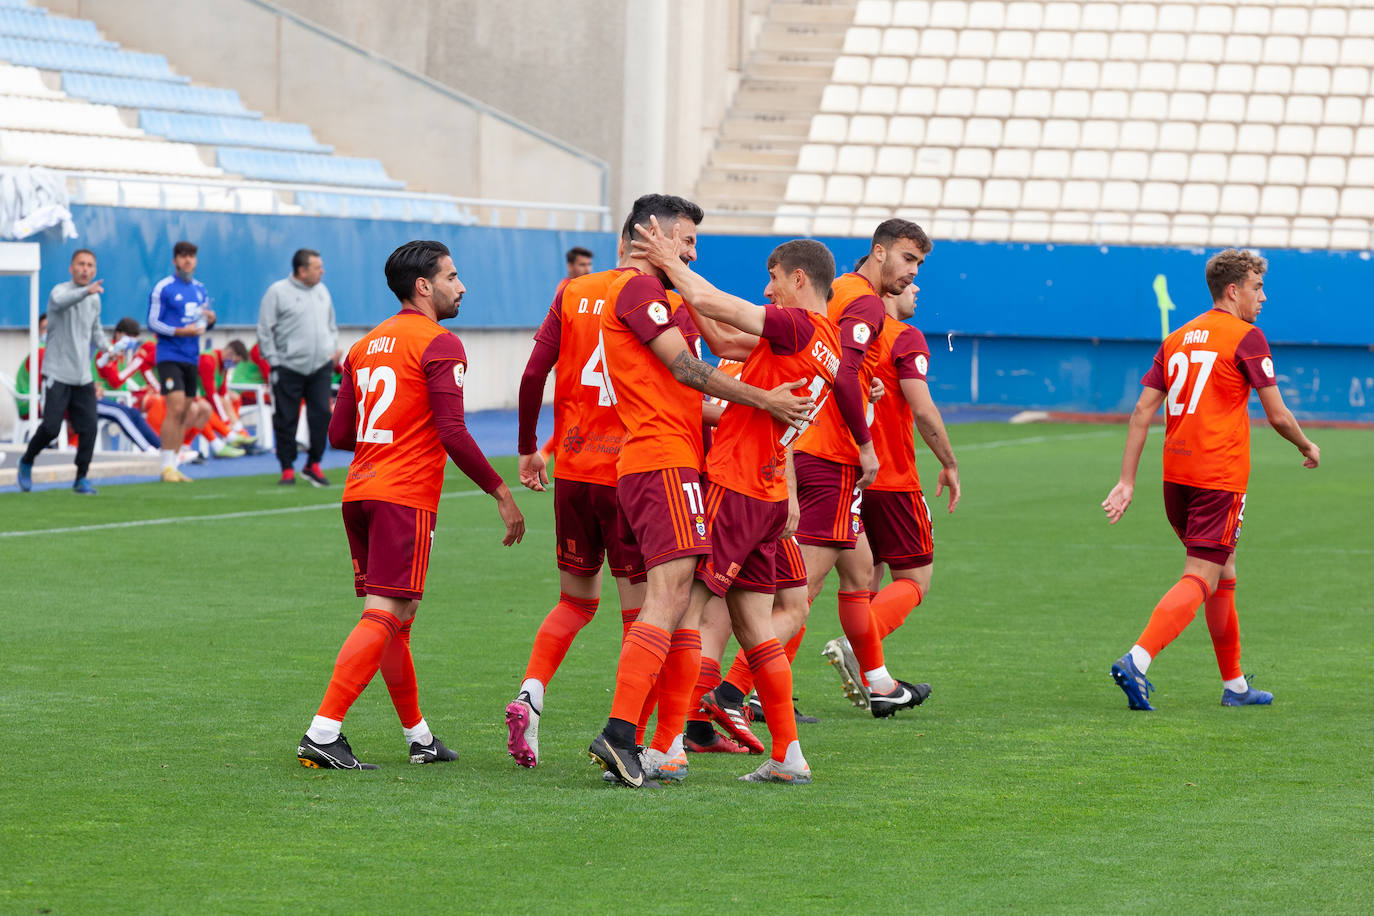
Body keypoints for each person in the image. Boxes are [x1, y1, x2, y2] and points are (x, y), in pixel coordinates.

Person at [585, 193, 814, 788]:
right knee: (673, 602)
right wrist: (766, 402)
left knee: (711, 610)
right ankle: (627, 736)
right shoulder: (637, 292)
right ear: (650, 237)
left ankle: (672, 746)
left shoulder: (659, 296)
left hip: (682, 461)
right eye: (683, 241)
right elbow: (688, 369)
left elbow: (717, 350)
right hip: (664, 462)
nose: (689, 252)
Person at [296, 239, 526, 770]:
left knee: (398, 615)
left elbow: (337, 432)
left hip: (360, 492)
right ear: (424, 286)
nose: (461, 286)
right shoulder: (440, 343)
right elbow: (452, 430)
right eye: (451, 277)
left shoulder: (365, 345)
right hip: (404, 495)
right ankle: (323, 731)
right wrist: (500, 491)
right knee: (385, 612)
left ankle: (419, 738)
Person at [634, 222, 841, 784]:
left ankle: (666, 746)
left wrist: (668, 264)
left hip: (739, 484)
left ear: (799, 278)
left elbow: (713, 301)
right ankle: (788, 754)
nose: (768, 290)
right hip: (770, 494)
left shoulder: (797, 324)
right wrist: (681, 295)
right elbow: (724, 342)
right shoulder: (826, 341)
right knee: (753, 624)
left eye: (773, 280)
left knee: (685, 607)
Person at [1103, 248, 1320, 710]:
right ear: (1233, 290)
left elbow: (1143, 409)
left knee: (1223, 572)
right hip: (1217, 477)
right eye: (1258, 287)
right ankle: (1137, 660)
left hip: (1176, 478)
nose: (1264, 297)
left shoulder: (1178, 337)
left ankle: (1235, 685)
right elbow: (1278, 415)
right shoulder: (1247, 337)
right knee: (1201, 574)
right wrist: (1306, 444)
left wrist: (1127, 481)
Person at [505, 242, 648, 768]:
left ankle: (531, 694)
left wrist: (528, 447)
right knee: (644, 615)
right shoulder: (656, 299)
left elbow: (531, 376)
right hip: (631, 473)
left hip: (574, 472)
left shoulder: (572, 292)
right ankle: (627, 734)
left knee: (576, 603)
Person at [793, 218, 933, 718]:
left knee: (856, 574)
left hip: (812, 451)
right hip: (838, 458)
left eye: (919, 264)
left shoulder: (838, 297)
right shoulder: (867, 303)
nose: (913, 274)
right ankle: (730, 694)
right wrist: (866, 443)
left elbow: (835, 367)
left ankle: (879, 683)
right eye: (909, 259)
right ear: (878, 251)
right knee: (800, 587)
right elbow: (846, 372)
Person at [821, 273, 961, 706]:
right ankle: (858, 642)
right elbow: (922, 407)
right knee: (916, 579)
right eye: (912, 277)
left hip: (848, 473)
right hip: (894, 478)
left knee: (860, 579)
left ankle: (880, 686)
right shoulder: (905, 337)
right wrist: (950, 463)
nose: (917, 286)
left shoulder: (848, 333)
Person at [17, 250, 112, 495]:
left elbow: (96, 331)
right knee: (50, 428)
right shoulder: (59, 291)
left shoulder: (94, 299)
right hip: (57, 373)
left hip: (83, 376)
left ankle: (81, 478)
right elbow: (61, 302)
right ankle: (27, 459)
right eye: (81, 264)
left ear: (95, 270)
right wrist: (85, 291)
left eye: (90, 265)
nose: (85, 269)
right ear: (71, 268)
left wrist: (109, 349)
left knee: (89, 427)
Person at [257, 248, 339, 486]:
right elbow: (264, 329)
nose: (322, 271)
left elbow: (331, 324)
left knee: (322, 415)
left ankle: (313, 463)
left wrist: (331, 348)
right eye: (317, 267)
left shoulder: (322, 291)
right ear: (302, 270)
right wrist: (274, 361)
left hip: (320, 367)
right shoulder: (277, 292)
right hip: (288, 368)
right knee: (286, 418)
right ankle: (287, 467)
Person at [147, 240, 215, 483]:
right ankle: (165, 466)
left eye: (191, 256)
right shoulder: (163, 288)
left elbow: (202, 323)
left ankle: (174, 466)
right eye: (183, 256)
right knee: (175, 408)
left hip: (191, 356)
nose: (188, 260)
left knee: (186, 411)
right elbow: (152, 322)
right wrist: (179, 332)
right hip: (169, 355)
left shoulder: (200, 289)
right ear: (175, 261)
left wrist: (210, 320)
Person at [12, 312, 45, 421]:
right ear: (39, 332)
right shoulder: (41, 352)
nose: (48, 331)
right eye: (45, 328)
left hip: (36, 402)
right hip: (30, 406)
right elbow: (45, 385)